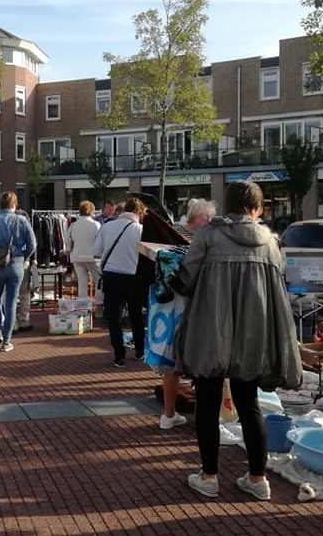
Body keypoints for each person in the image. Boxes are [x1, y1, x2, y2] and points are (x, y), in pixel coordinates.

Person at [171, 181, 302, 501]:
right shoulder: (270, 243)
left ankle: (209, 476)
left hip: (210, 332)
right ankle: (258, 479)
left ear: (226, 206)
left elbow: (185, 280)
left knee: (208, 404)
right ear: (257, 209)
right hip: (252, 336)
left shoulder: (208, 236)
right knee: (249, 405)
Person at [158, 198, 216, 431]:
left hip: (168, 306)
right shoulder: (197, 240)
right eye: (208, 218)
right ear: (200, 218)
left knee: (171, 362)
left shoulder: (169, 233)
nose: (210, 222)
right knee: (198, 359)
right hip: (190, 305)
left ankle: (169, 414)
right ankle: (203, 416)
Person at [0, 192, 37, 352]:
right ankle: (6, 341)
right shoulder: (22, 220)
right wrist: (24, 257)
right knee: (11, 302)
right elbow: (32, 243)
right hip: (16, 263)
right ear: (14, 204)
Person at [94, 197, 146, 367]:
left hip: (111, 276)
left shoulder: (108, 226)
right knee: (136, 315)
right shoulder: (141, 230)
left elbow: (97, 250)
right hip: (134, 277)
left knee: (114, 319)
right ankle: (140, 350)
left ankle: (119, 355)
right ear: (138, 212)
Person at [68, 201, 101, 299]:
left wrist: (69, 251)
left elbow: (68, 241)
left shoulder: (73, 225)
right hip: (92, 257)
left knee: (82, 283)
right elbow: (100, 242)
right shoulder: (96, 224)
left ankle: (82, 306)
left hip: (77, 256)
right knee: (99, 281)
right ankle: (99, 304)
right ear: (91, 211)